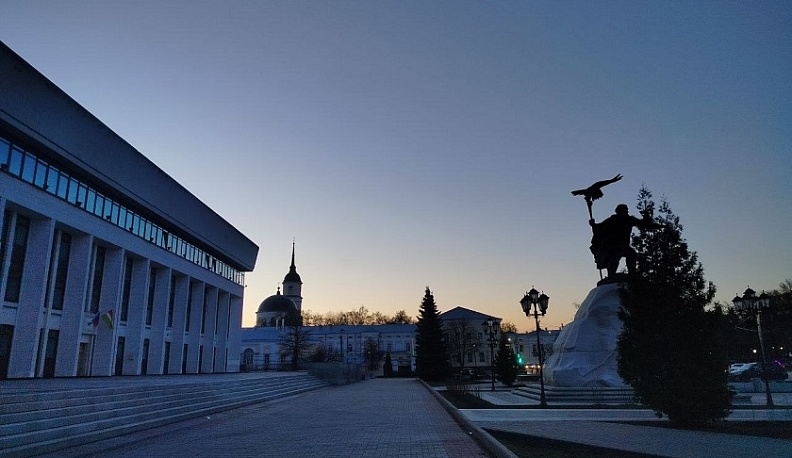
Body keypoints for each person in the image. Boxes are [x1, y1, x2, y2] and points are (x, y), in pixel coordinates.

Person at [589, 204, 662, 278]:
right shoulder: (613, 219)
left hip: (623, 245)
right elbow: (600, 227)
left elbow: (642, 224)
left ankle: (632, 273)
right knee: (615, 257)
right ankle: (612, 275)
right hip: (613, 245)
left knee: (631, 254)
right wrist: (593, 224)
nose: (626, 212)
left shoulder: (629, 219)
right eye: (625, 210)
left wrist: (657, 226)